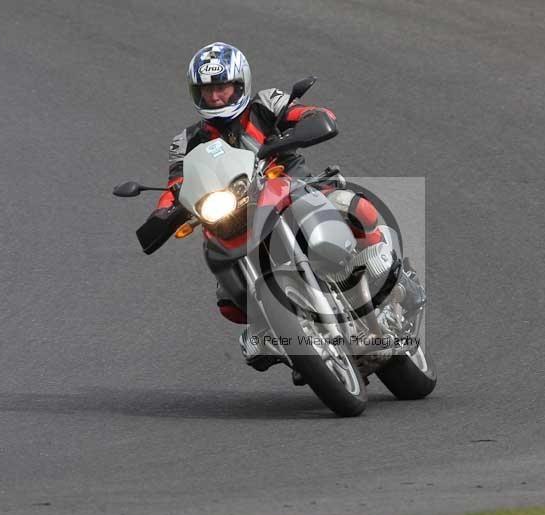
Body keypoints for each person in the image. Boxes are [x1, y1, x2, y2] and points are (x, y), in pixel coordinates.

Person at [139, 42, 424, 370]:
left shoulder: (266, 104)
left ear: (240, 84)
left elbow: (311, 114)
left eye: (222, 87)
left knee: (352, 206)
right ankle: (280, 334)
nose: (215, 97)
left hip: (294, 188)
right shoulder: (186, 142)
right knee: (228, 300)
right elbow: (176, 186)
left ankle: (395, 278)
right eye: (207, 90)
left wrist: (308, 124)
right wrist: (162, 214)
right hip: (235, 216)